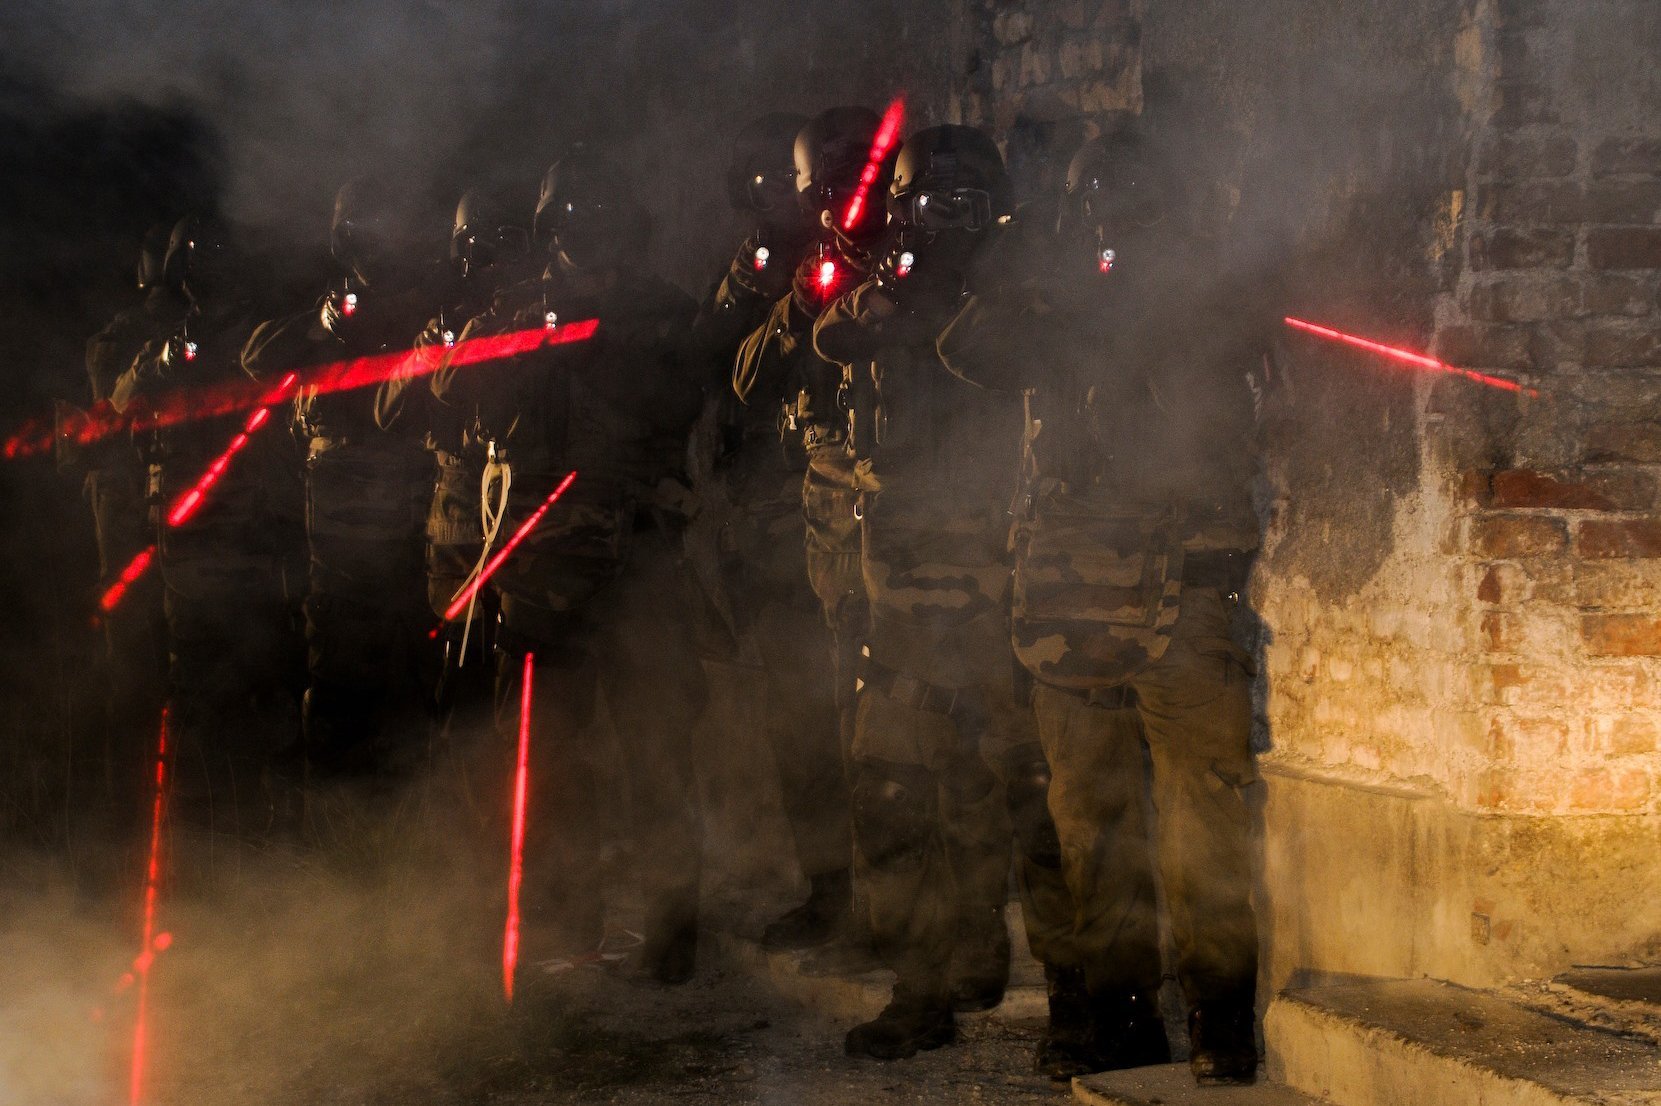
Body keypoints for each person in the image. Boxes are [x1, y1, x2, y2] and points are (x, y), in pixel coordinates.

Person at [935, 132, 1262, 1085]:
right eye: (1101, 211)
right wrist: (1032, 257)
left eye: (1131, 208)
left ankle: (1219, 1020)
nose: (1116, 230)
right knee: (1090, 816)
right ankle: (1122, 1018)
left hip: (1185, 586)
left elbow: (1236, 347)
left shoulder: (1208, 290)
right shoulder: (1058, 299)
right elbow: (966, 349)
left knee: (1202, 813)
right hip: (1072, 591)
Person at [428, 147, 708, 984]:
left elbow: (681, 399)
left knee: (658, 747)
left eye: (601, 220)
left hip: (640, 557)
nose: (587, 238)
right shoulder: (517, 311)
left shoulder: (662, 311)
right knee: (543, 756)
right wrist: (523, 340)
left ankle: (671, 927)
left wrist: (599, 340)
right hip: (542, 566)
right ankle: (561, 916)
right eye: (571, 223)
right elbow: (447, 392)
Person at [810, 124, 1026, 1059]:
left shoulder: (1011, 296)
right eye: (934, 204)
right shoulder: (890, 293)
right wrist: (893, 284)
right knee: (899, 779)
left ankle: (950, 969)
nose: (950, 224)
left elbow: (1002, 368)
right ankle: (929, 976)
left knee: (968, 779)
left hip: (986, 570)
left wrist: (944, 298)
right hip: (894, 569)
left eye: (966, 207)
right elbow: (825, 336)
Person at [729, 106, 899, 963]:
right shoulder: (803, 272)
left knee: (879, 727)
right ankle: (832, 893)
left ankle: (889, 912)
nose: (842, 214)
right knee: (810, 725)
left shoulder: (919, 264)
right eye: (826, 197)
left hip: (897, 524)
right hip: (809, 530)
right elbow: (742, 378)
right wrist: (800, 304)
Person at [111, 215, 303, 841]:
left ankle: (256, 825)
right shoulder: (172, 341)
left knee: (259, 680)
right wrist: (167, 359)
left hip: (249, 533)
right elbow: (120, 397)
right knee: (196, 686)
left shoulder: (257, 333)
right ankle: (204, 827)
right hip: (192, 544)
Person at [241, 176, 441, 778]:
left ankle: (400, 796)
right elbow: (255, 359)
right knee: (334, 648)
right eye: (359, 238)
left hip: (408, 497)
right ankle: (332, 800)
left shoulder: (422, 299)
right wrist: (323, 325)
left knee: (407, 645)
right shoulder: (329, 307)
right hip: (336, 505)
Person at [77, 225, 184, 814]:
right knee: (145, 645)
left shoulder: (116, 337)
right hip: (133, 499)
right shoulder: (129, 340)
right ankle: (134, 790)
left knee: (139, 645)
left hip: (139, 501)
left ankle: (132, 790)